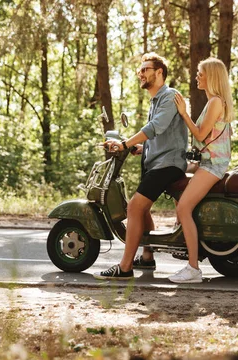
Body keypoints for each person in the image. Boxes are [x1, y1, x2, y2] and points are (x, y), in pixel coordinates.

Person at [94, 53, 188, 280]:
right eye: (140, 70)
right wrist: (138, 149)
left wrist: (125, 143)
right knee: (142, 208)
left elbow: (156, 127)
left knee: (134, 207)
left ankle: (124, 268)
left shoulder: (170, 96)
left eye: (146, 69)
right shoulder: (156, 100)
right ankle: (147, 256)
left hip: (168, 164)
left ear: (159, 73)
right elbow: (159, 135)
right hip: (157, 162)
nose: (141, 73)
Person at [169, 57, 234, 284]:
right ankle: (179, 233)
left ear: (212, 77)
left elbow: (199, 134)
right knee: (172, 174)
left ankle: (193, 268)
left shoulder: (216, 102)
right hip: (206, 162)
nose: (197, 76)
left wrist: (183, 112)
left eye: (200, 73)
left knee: (185, 207)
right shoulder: (213, 102)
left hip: (213, 165)